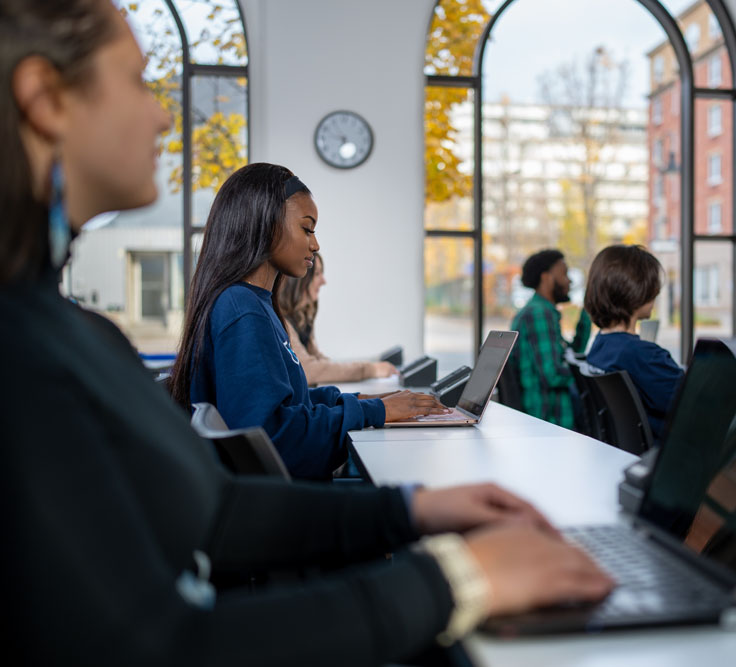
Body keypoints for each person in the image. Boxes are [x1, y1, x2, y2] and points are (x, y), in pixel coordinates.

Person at [0, 2, 614, 662]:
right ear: (46, 98)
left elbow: (220, 512)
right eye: (139, 81)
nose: (160, 112)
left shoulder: (68, 328)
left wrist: (415, 509)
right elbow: (158, 645)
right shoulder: (23, 353)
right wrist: (462, 578)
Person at [169, 162, 445, 480]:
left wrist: (370, 401)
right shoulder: (243, 311)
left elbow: (289, 403)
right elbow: (280, 442)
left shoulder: (251, 303)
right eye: (306, 228)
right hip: (289, 506)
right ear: (266, 223)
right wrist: (375, 411)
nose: (315, 244)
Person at [584, 245, 684, 441]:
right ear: (637, 290)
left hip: (623, 455)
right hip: (664, 457)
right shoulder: (643, 355)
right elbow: (694, 404)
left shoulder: (600, 346)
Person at [277, 251, 398, 385]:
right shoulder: (283, 322)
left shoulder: (301, 318)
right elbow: (310, 370)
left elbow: (319, 361)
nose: (323, 281)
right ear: (299, 280)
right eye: (317, 274)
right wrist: (370, 370)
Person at [510, 249, 592, 429]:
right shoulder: (540, 314)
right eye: (564, 274)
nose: (569, 281)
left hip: (546, 417)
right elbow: (553, 375)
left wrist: (586, 315)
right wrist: (591, 377)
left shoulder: (538, 311)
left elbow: (568, 354)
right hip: (549, 419)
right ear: (546, 278)